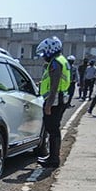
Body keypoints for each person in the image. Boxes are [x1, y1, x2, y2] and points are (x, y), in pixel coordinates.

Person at [35, 36, 70, 168]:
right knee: (54, 129)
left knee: (52, 129)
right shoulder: (61, 60)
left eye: (44, 52)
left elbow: (54, 85)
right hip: (60, 99)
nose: (43, 56)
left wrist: (48, 105)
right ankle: (52, 157)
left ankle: (54, 159)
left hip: (54, 101)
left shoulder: (55, 63)